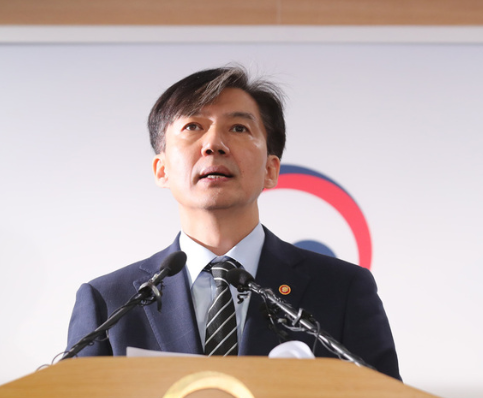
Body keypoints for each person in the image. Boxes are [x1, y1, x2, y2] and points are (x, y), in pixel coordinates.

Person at [66, 66, 401, 380]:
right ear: (162, 169)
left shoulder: (342, 290)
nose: (214, 144)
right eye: (193, 127)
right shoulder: (109, 301)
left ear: (270, 170)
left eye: (239, 128)